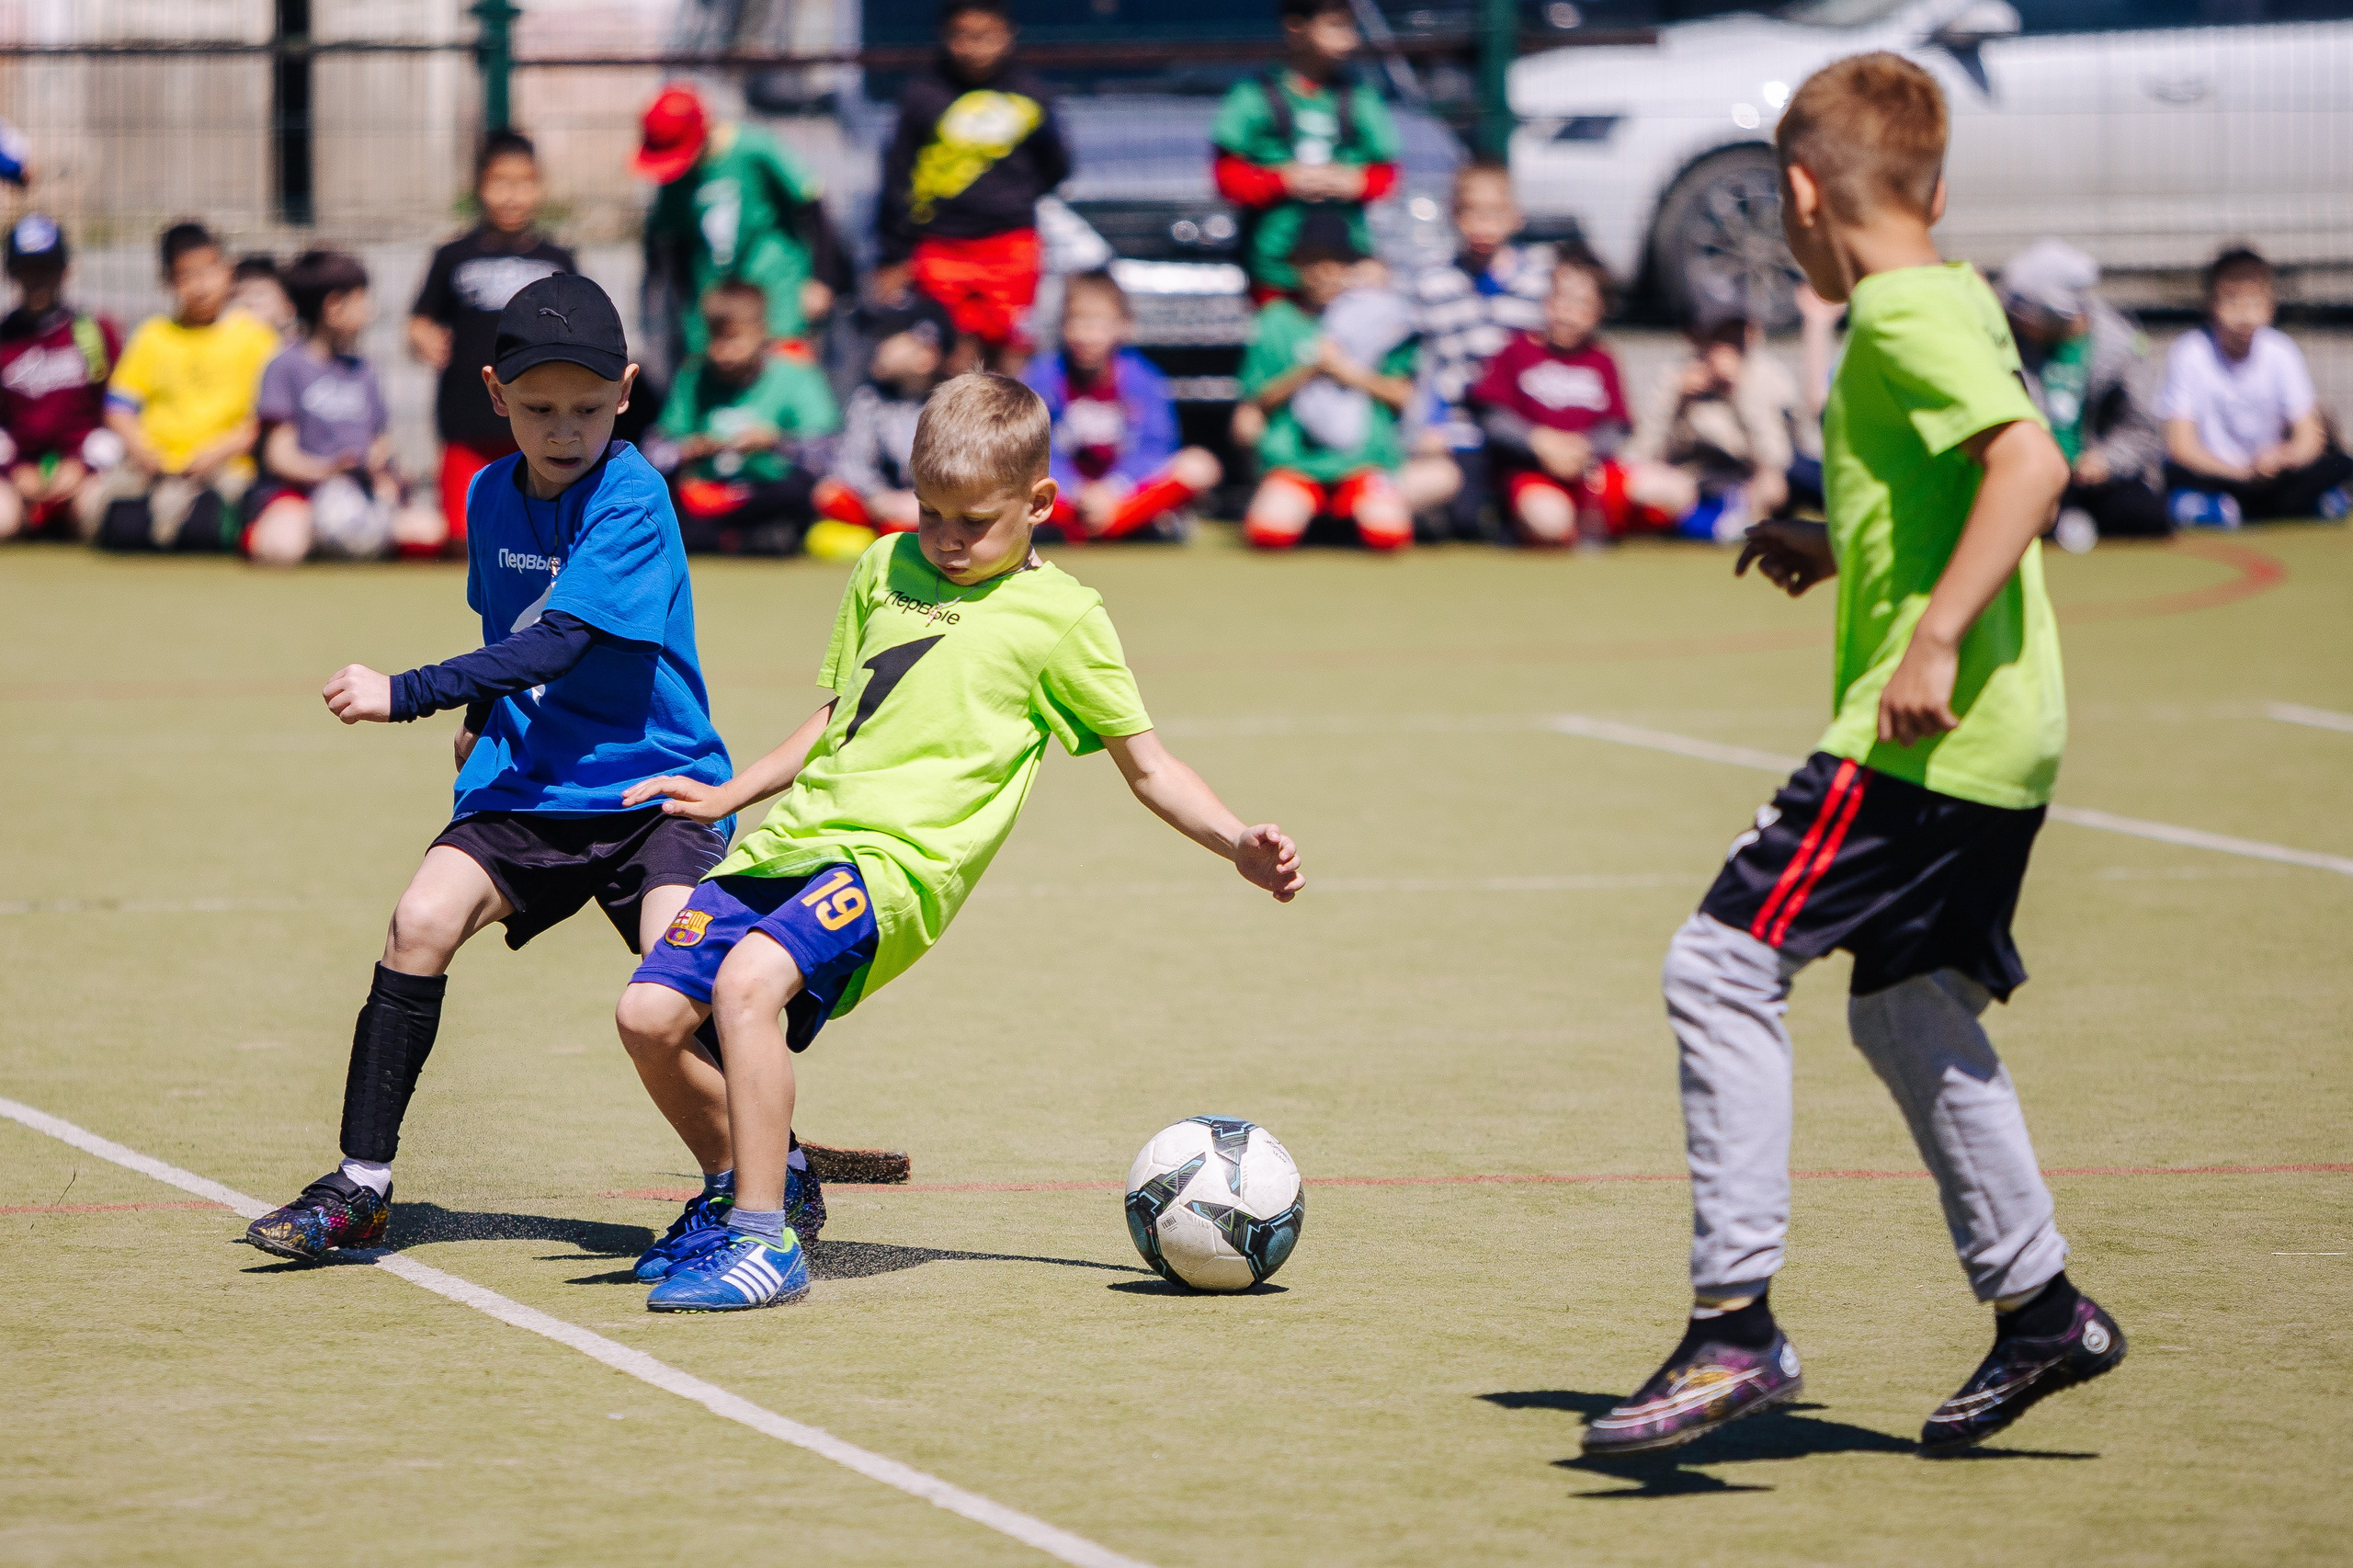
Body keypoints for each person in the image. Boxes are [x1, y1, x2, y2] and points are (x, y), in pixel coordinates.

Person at [1582, 54, 2125, 1460]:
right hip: (2007, 737)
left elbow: (2031, 466)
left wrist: (1932, 634)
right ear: (1933, 188)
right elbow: (1963, 480)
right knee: (1903, 1010)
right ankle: (2041, 1306)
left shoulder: (1891, 315)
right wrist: (1847, 550)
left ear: (1803, 194)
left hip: (1927, 732)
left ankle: (1734, 1327)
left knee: (1717, 964)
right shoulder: (1950, 296)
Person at [607, 372, 1305, 1311]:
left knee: (745, 988)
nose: (946, 537)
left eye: (973, 520)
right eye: (930, 511)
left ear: (1039, 503)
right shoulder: (882, 565)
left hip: (889, 868)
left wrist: (1234, 840)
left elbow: (1148, 766)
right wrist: (734, 791)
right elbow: (838, 710)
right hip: (789, 842)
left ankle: (762, 1241)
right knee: (647, 1015)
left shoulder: (1062, 618)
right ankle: (742, 1178)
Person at [240, 275, 739, 1264]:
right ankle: (361, 1186)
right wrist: (479, 717)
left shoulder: (634, 497)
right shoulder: (486, 493)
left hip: (657, 790)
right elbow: (501, 631)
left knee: (674, 983)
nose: (565, 430)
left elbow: (555, 643)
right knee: (418, 921)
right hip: (530, 781)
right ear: (494, 394)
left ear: (627, 391)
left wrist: (409, 690)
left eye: (588, 409)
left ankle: (753, 1180)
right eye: (540, 408)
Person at [1237, 212, 1454, 552]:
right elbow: (1258, 397)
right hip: (1297, 461)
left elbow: (1402, 395)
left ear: (1351, 265)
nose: (1324, 271)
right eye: (1313, 260)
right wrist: (1309, 369)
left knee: (1387, 534)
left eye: (1335, 261)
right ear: (1296, 264)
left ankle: (1340, 519)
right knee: (1269, 532)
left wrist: (1347, 373)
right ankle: (1316, 517)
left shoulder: (1379, 317)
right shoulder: (1276, 320)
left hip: (1363, 460)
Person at [876, 0, 1071, 372]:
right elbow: (896, 177)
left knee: (1012, 352)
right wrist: (893, 254)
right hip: (941, 247)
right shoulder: (923, 96)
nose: (974, 47)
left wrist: (1010, 199)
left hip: (1010, 244)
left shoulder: (1030, 96)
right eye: (962, 36)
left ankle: (1012, 429)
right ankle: (958, 429)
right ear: (944, 36)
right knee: (950, 351)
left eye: (985, 36)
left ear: (1008, 35)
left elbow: (1056, 164)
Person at [411, 130, 577, 551]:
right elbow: (421, 319)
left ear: (540, 187)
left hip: (537, 425)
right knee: (465, 540)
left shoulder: (557, 259)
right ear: (479, 186)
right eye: (499, 182)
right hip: (466, 422)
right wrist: (422, 337)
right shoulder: (453, 256)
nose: (511, 195)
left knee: (537, 538)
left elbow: (580, 324)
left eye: (523, 183)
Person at [244, 250, 443, 565]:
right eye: (362, 300)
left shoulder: (363, 370)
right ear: (334, 307)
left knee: (430, 533)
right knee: (281, 547)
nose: (370, 310)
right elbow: (278, 455)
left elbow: (378, 442)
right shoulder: (285, 366)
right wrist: (327, 471)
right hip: (300, 493)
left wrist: (385, 474)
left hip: (358, 491)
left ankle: (348, 537)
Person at [93, 222, 280, 551]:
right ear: (168, 281)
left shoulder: (256, 339)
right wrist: (143, 451)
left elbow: (264, 420)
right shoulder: (153, 335)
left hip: (224, 468)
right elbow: (119, 408)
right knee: (122, 531)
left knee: (202, 531)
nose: (201, 285)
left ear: (228, 271)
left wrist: (218, 452)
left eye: (209, 271)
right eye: (187, 276)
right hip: (155, 468)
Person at [1470, 253, 1678, 547]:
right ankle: (1568, 529)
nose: (1567, 313)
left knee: (1676, 490)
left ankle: (1603, 524)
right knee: (1549, 522)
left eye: (1581, 305)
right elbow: (1493, 416)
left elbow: (1617, 426)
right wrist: (1538, 441)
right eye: (1561, 300)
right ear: (1547, 302)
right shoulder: (1516, 350)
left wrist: (1584, 448)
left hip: (1589, 470)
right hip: (1533, 472)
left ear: (1598, 312)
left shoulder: (1602, 359)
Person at [639, 85, 846, 364]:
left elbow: (812, 204)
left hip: (775, 293)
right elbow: (673, 243)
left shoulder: (755, 149)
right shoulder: (674, 179)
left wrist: (821, 279)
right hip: (713, 303)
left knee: (784, 371)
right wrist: (685, 303)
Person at [1212, 0, 1399, 301]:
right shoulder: (1253, 97)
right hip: (1274, 272)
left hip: (1347, 272)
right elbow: (1226, 177)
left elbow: (1386, 174)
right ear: (1296, 26)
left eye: (1352, 26)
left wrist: (1353, 182)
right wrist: (1283, 181)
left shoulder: (1361, 98)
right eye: (1336, 26)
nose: (1350, 38)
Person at [1409, 160, 1554, 540]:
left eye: (1494, 213)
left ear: (1515, 217)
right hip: (1461, 430)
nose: (1482, 225)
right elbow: (1427, 366)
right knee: (1464, 522)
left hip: (1525, 429)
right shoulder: (1433, 284)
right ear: (1453, 215)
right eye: (1471, 212)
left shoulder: (1542, 282)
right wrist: (1428, 424)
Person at [1995, 237, 2168, 551]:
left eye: (2024, 313)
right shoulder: (2006, 342)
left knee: (2146, 514)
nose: (2016, 318)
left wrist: (2107, 460)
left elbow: (2142, 429)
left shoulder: (2120, 346)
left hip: (2095, 476)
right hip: (2033, 470)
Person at [2159, 246, 2353, 527]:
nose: (2244, 316)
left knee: (2340, 464)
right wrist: (2239, 473)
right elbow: (2181, 446)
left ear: (2270, 306)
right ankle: (2293, 507)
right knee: (2172, 475)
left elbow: (2308, 438)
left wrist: (2280, 458)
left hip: (2271, 475)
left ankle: (2237, 511)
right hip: (2219, 475)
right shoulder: (2188, 353)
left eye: (2253, 302)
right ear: (2211, 304)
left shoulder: (2281, 351)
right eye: (2232, 301)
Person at [1023, 269, 1221, 542]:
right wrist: (1075, 488)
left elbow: (1155, 448)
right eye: (1076, 321)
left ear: (1123, 326)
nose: (1087, 335)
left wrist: (1112, 489)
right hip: (1064, 496)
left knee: (1200, 465)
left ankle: (1103, 525)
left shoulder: (1145, 379)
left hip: (1121, 494)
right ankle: (1130, 526)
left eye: (1099, 323)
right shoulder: (1043, 375)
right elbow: (1033, 448)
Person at [654, 278, 839, 556]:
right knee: (662, 502)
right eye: (714, 338)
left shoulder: (795, 374)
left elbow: (828, 452)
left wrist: (775, 443)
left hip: (767, 491)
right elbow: (655, 450)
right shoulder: (694, 376)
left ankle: (741, 538)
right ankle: (745, 541)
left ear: (761, 331)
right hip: (711, 493)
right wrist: (689, 450)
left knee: (802, 493)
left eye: (732, 338)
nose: (721, 351)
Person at [1623, 311, 1801, 544]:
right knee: (1641, 483)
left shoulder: (1766, 376)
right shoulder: (1675, 376)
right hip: (1691, 483)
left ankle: (1739, 529)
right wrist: (1676, 402)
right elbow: (1639, 455)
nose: (1726, 347)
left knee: (1773, 487)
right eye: (1719, 338)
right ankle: (1711, 529)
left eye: (1735, 337)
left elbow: (1776, 458)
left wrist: (1740, 393)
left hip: (1743, 483)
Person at [0, 213, 120, 542]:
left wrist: (85, 464)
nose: (37, 280)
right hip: (16, 470)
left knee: (96, 515)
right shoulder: (3, 338)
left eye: (46, 269)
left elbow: (115, 413)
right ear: (11, 273)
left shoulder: (95, 333)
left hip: (83, 467)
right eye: (27, 270)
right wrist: (13, 470)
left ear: (65, 271)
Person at [813, 293, 959, 542]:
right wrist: (878, 498)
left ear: (927, 354)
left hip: (938, 509)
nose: (877, 346)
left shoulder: (956, 405)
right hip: (880, 505)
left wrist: (925, 505)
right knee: (829, 495)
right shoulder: (869, 398)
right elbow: (852, 463)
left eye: (889, 337)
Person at [229, 255, 300, 346]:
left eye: (258, 293)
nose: (248, 302)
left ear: (289, 308)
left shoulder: (305, 354)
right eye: (236, 295)